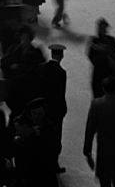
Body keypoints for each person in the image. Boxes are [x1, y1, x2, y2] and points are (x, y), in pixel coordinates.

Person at [39, 43, 68, 173]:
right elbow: (61, 93)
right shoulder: (61, 72)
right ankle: (54, 163)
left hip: (43, 108)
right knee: (56, 138)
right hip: (56, 110)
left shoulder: (42, 68)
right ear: (61, 55)